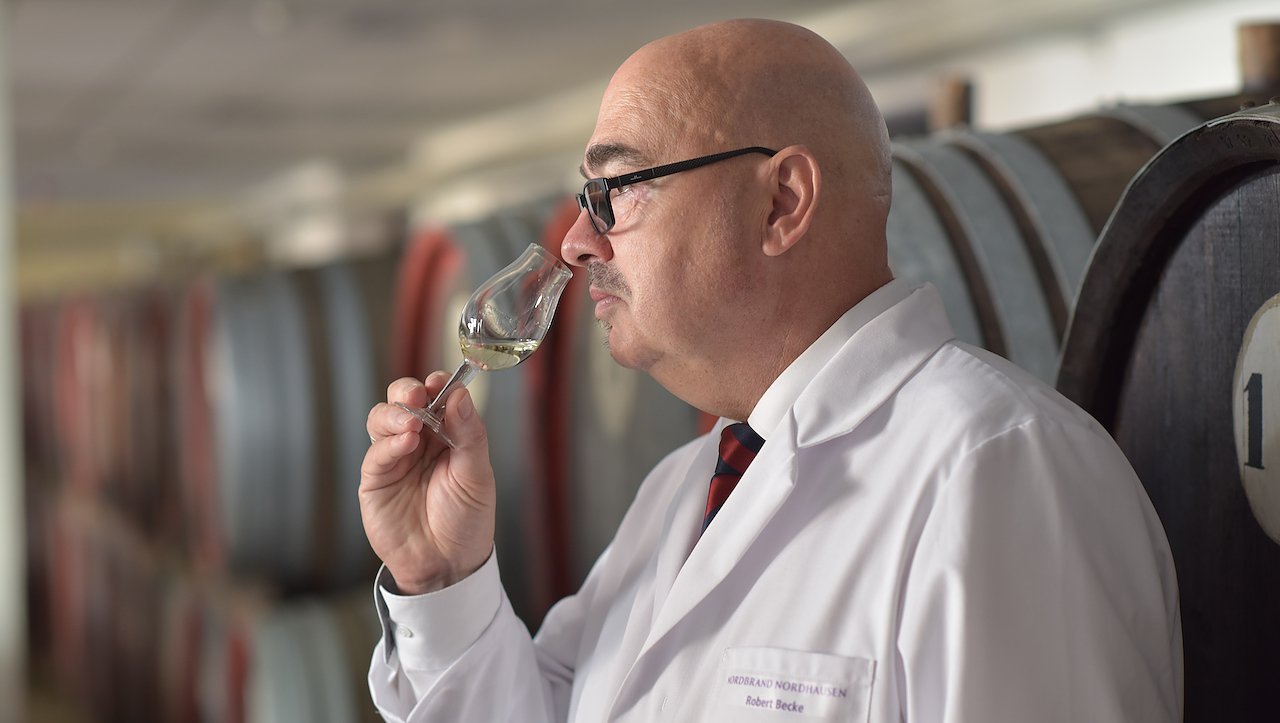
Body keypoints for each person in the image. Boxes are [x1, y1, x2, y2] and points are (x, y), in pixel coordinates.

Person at [360, 18, 1182, 723]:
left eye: (617, 188)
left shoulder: (999, 467)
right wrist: (441, 577)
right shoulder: (681, 488)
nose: (577, 243)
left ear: (783, 201)